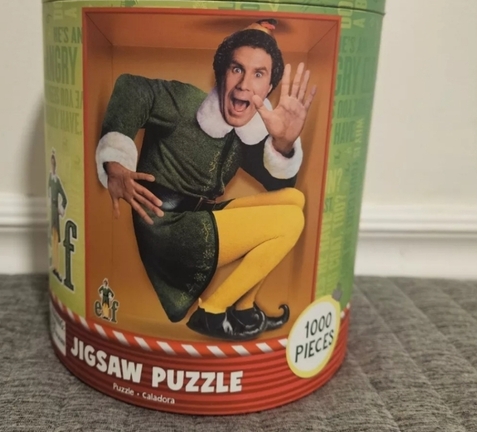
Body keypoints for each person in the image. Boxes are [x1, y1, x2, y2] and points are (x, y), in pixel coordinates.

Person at [95, 19, 316, 341]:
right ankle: (212, 312)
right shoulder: (183, 102)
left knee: (294, 202)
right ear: (221, 73)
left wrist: (283, 142)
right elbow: (133, 87)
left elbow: (279, 185)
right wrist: (115, 164)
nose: (244, 85)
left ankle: (244, 308)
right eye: (237, 69)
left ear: (269, 88)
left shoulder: (246, 134)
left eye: (258, 74)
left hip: (199, 216)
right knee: (290, 221)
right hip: (166, 225)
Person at [48, 150, 67, 280]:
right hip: (51, 210)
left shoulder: (57, 181)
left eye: (54, 163)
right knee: (52, 236)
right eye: (52, 163)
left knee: (56, 238)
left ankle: (57, 267)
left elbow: (64, 197)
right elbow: (48, 191)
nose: (53, 166)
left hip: (56, 211)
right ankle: (54, 266)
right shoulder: (50, 178)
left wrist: (62, 207)